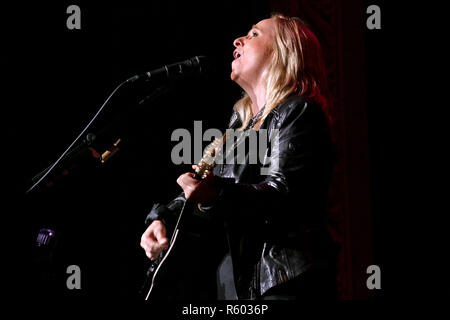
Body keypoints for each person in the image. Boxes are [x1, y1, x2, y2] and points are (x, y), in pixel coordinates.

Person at [140, 13, 337, 300]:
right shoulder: (237, 129)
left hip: (283, 284)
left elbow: (283, 196)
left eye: (255, 34)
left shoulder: (298, 112)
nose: (238, 40)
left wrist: (214, 194)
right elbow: (205, 189)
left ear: (284, 52)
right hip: (236, 287)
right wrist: (163, 220)